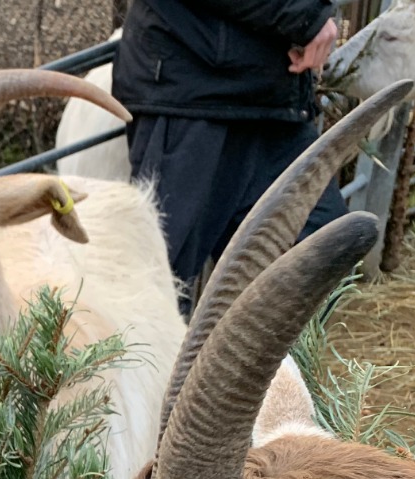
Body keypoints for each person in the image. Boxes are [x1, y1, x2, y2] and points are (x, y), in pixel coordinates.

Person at [111, 0, 344, 313]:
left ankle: (237, 360)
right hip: (189, 90)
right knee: (160, 287)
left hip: (269, 97)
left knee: (319, 253)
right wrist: (305, 14)